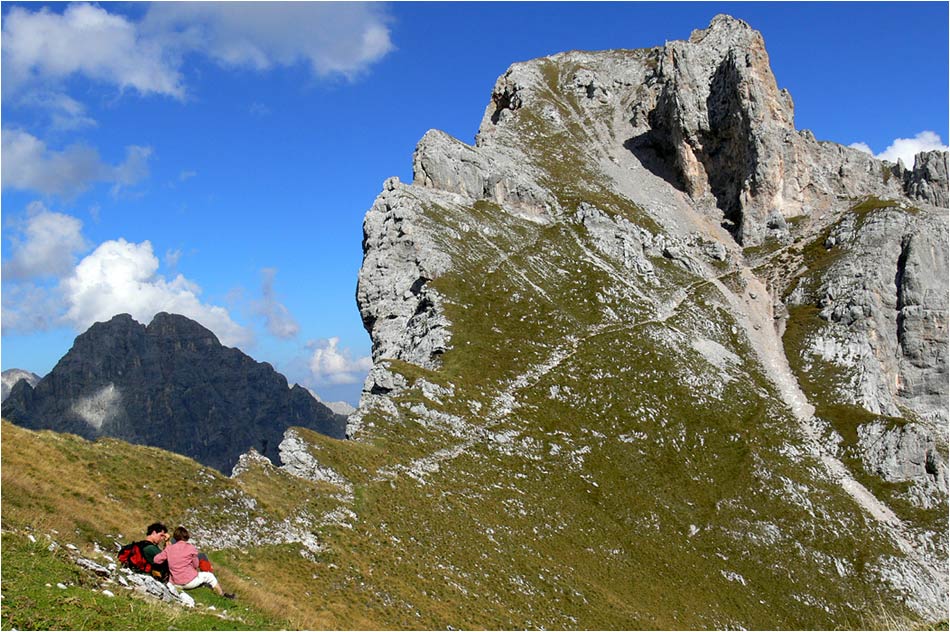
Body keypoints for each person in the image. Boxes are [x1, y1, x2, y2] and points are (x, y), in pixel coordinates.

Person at [154, 526, 235, 599]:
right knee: (209, 576)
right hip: (189, 582)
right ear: (186, 537)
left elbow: (156, 560)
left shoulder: (169, 549)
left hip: (175, 583)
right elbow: (196, 565)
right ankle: (221, 594)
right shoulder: (191, 548)